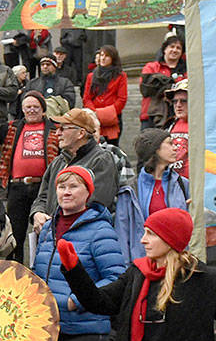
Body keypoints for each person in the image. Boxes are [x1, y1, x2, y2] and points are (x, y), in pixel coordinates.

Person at [56, 208, 215, 341]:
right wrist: (74, 270)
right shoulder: (136, 273)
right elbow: (100, 302)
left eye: (151, 234)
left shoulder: (203, 279)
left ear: (170, 239)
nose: (143, 240)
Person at [33, 167, 125, 341]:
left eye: (73, 186)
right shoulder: (48, 228)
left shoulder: (101, 230)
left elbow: (116, 279)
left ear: (87, 192)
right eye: (61, 186)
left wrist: (75, 301)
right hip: (47, 329)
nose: (66, 192)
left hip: (84, 334)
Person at [30, 108, 119, 232]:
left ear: (81, 133)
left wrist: (61, 223)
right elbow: (42, 196)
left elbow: (96, 203)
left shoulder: (101, 160)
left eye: (63, 128)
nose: (57, 133)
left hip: (84, 236)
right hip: (53, 235)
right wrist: (37, 213)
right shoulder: (58, 161)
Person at [0, 91, 60, 261]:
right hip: (17, 187)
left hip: (43, 188)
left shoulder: (55, 129)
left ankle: (42, 266)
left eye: (35, 107)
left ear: (43, 109)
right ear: (23, 109)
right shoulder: (12, 128)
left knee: (44, 230)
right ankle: (14, 270)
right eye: (28, 107)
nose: (32, 110)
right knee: (15, 233)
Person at [115, 129, 189, 261]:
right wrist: (127, 270)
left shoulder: (183, 185)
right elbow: (122, 232)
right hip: (142, 264)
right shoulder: (130, 189)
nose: (175, 147)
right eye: (170, 143)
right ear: (155, 149)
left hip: (176, 263)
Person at [83, 45, 128, 145]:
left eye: (107, 56)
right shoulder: (91, 76)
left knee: (111, 148)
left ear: (113, 58)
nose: (103, 58)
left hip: (113, 118)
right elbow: (87, 99)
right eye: (101, 55)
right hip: (94, 118)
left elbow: (122, 99)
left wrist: (106, 114)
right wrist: (94, 113)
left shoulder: (120, 76)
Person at [139, 36, 186, 130]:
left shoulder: (186, 71)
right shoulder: (151, 67)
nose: (174, 50)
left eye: (178, 48)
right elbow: (146, 87)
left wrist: (162, 83)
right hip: (151, 115)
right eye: (172, 46)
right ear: (164, 49)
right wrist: (172, 86)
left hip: (176, 116)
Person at [165, 80, 189, 178]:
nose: (178, 105)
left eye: (183, 101)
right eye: (175, 101)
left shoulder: (205, 126)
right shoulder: (169, 124)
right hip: (172, 181)